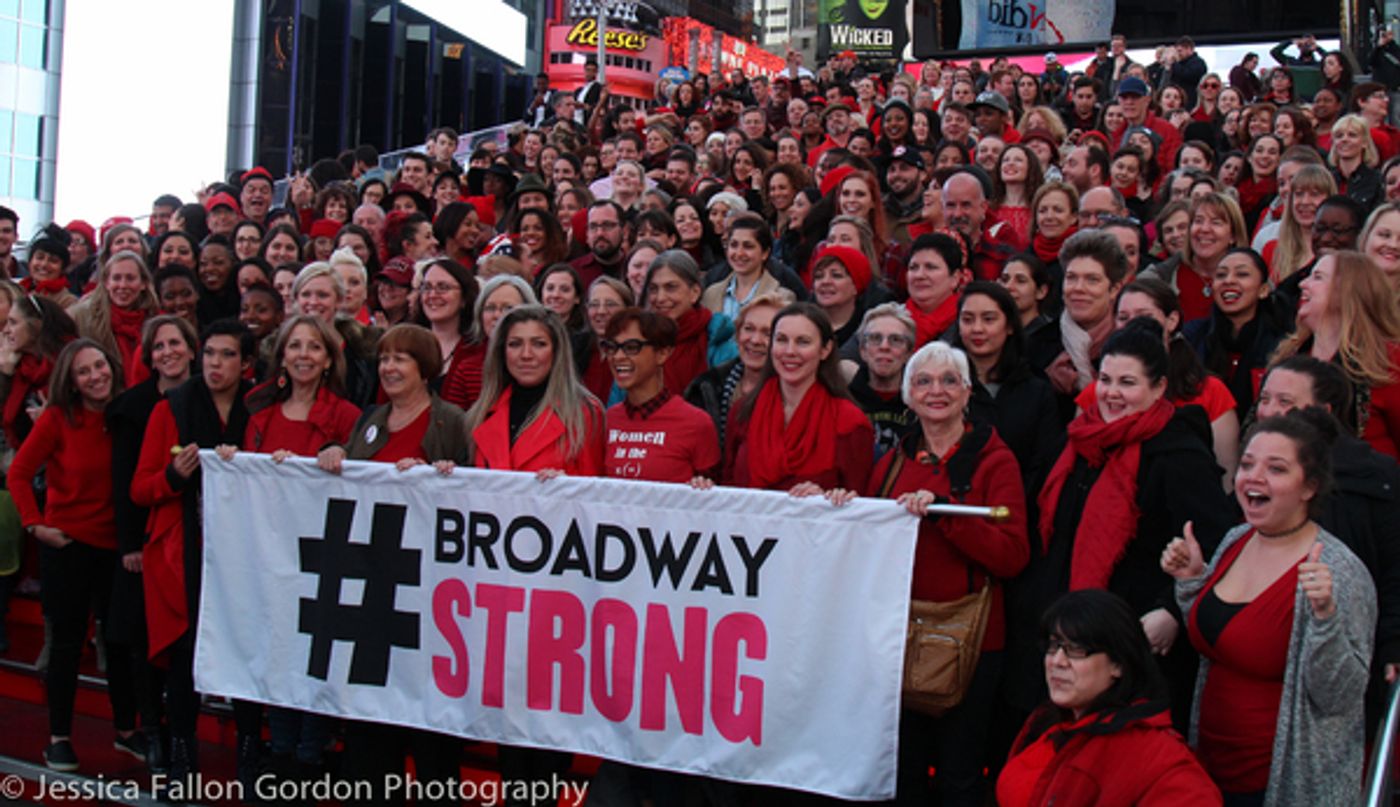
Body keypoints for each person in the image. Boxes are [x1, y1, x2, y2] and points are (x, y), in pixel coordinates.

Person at [824, 341, 1028, 804]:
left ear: (968, 392)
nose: (936, 391)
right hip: (899, 639)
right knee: (904, 769)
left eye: (948, 381)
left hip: (969, 640)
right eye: (924, 382)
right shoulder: (892, 462)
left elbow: (1013, 555)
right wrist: (836, 506)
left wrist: (948, 516)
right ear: (908, 396)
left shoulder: (996, 461)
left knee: (959, 773)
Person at [1010, 318, 1236, 730]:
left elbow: (1216, 541)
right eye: (1106, 380)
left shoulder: (1179, 455)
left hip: (1131, 642)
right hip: (1059, 632)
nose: (1112, 393)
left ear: (1159, 388)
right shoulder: (1077, 440)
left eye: (1128, 383)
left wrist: (1171, 610)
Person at [1165, 410, 1376, 806]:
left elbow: (1341, 697)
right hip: (1208, 769)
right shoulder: (1236, 538)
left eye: (1276, 469)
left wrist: (1326, 618)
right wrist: (1192, 580)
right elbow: (1217, 641)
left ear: (1309, 487)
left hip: (1282, 784)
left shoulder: (1339, 570)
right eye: (1247, 464)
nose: (1253, 477)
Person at [314, 323, 469, 807]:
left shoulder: (452, 422)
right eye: (384, 359)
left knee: (431, 738)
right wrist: (336, 454)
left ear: (425, 369)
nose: (389, 368)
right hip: (374, 600)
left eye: (401, 359)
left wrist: (446, 477)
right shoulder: (371, 420)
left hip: (429, 603)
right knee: (369, 734)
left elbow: (475, 495)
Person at [131, 319, 255, 785]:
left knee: (246, 652)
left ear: (247, 364)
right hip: (184, 558)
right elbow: (140, 488)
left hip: (245, 558)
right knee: (184, 658)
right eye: (209, 355)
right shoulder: (172, 408)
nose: (215, 364)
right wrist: (173, 477)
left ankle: (248, 751)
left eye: (226, 356)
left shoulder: (259, 408)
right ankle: (182, 754)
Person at [8, 339, 142, 771]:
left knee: (119, 642)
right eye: (84, 371)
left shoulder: (125, 414)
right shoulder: (56, 419)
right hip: (67, 547)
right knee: (65, 645)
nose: (95, 376)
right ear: (71, 379)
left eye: (99, 366)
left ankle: (127, 730)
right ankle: (59, 739)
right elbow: (20, 474)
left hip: (116, 549)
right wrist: (35, 525)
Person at [997, 589, 1222, 806]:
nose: (1057, 661)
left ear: (1119, 664)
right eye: (1054, 645)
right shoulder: (1048, 722)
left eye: (1077, 649)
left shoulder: (1150, 752)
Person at [723, 302, 872, 490]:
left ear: (825, 349)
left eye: (803, 342)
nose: (789, 351)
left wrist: (824, 499)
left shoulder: (850, 423)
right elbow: (727, 487)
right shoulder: (743, 411)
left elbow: (860, 503)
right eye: (781, 340)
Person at [1271, 251, 1400, 458]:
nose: (1302, 284)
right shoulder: (1289, 358)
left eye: (1318, 277)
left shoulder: (1388, 360)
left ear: (1348, 291)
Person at [466, 305, 606, 475]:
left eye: (539, 344)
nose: (526, 354)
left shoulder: (584, 413)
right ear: (502, 352)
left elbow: (593, 491)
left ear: (556, 351)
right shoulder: (481, 414)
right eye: (515, 344)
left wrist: (566, 485)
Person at [952, 282, 1063, 494]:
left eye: (988, 319)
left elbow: (1044, 462)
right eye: (967, 319)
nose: (977, 328)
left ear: (1010, 326)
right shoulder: (945, 388)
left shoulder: (1036, 391)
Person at [602, 308, 720, 482]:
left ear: (662, 353)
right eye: (612, 347)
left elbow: (715, 494)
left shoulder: (696, 423)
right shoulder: (606, 421)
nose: (618, 356)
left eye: (631, 347)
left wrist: (703, 485)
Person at [1184, 249, 1288, 422]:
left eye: (1242, 274)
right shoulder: (1192, 337)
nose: (1229, 281)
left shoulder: (1282, 344)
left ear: (1263, 290)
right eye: (1221, 275)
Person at [685, 291, 793, 453]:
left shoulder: (795, 393)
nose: (755, 340)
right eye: (749, 329)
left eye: (768, 333)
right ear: (738, 333)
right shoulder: (705, 387)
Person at [69, 250, 158, 386]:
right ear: (106, 282)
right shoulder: (81, 317)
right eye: (116, 278)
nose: (122, 285)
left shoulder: (155, 319)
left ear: (143, 283)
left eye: (130, 278)